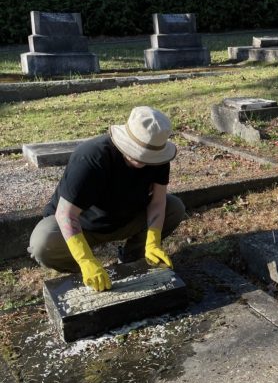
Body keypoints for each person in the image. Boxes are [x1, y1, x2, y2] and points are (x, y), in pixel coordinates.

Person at [29, 106, 186, 292]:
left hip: (126, 218)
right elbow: (66, 214)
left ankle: (134, 257)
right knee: (42, 242)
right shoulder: (91, 157)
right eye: (139, 154)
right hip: (83, 225)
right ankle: (88, 270)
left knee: (175, 208)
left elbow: (159, 202)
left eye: (150, 157)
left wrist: (153, 242)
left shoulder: (158, 157)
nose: (144, 162)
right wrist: (86, 260)